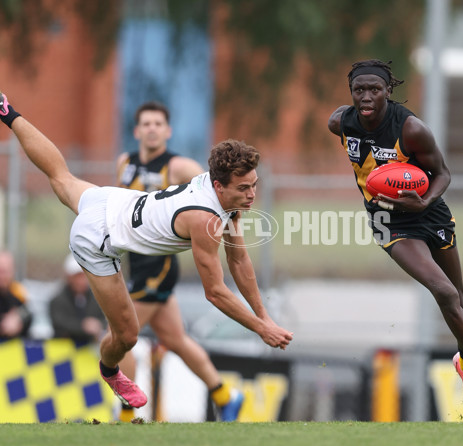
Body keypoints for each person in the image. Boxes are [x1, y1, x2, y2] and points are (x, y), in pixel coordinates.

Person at [0, 92, 293, 414]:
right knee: (126, 336)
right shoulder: (205, 219)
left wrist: (264, 315)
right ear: (219, 186)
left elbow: (239, 259)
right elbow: (215, 292)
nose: (252, 195)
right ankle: (111, 372)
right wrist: (260, 327)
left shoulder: (222, 193)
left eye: (254, 185)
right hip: (97, 237)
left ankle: (7, 112)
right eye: (244, 188)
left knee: (61, 175)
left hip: (112, 202)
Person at [327, 59, 463, 421]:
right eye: (359, 90)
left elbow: (443, 173)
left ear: (388, 92)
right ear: (351, 92)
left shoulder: (411, 128)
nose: (366, 96)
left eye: (375, 89)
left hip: (429, 212)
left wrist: (424, 199)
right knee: (445, 293)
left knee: (459, 301)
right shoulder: (341, 122)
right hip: (389, 222)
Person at [115, 101, 244, 421]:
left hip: (159, 267)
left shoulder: (179, 167)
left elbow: (215, 194)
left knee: (120, 339)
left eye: (158, 123)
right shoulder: (125, 163)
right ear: (137, 130)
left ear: (168, 131)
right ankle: (226, 395)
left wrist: (229, 225)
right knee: (175, 339)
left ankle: (127, 414)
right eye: (146, 123)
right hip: (136, 264)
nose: (152, 129)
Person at [49, 254, 107, 343]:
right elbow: (59, 323)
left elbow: (107, 320)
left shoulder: (97, 299)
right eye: (77, 276)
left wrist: (98, 325)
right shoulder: (58, 300)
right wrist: (83, 326)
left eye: (84, 275)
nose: (81, 280)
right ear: (69, 277)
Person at [0, 250, 32, 339]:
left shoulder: (16, 291)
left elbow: (28, 313)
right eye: (0, 271)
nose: (3, 276)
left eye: (6, 271)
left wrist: (19, 318)